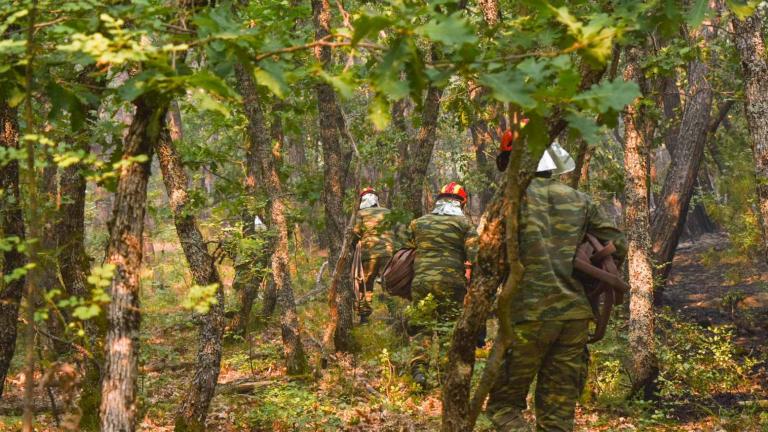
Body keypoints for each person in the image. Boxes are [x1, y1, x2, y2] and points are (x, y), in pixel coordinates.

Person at [486, 141, 626, 431]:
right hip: (573, 319)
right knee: (558, 417)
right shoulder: (580, 200)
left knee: (503, 407)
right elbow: (618, 244)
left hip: (528, 317)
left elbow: (486, 256)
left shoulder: (508, 199)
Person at [403, 182, 477, 387]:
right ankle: (446, 373)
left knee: (422, 328)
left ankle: (419, 370)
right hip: (452, 284)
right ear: (461, 203)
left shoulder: (418, 223)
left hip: (421, 282)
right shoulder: (465, 225)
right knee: (449, 328)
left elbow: (405, 252)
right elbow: (475, 255)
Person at [352, 187, 395, 324]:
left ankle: (364, 318)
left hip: (368, 255)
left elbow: (356, 232)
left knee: (366, 285)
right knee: (389, 284)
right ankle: (395, 315)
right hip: (387, 253)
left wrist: (354, 246)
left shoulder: (361, 214)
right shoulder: (387, 212)